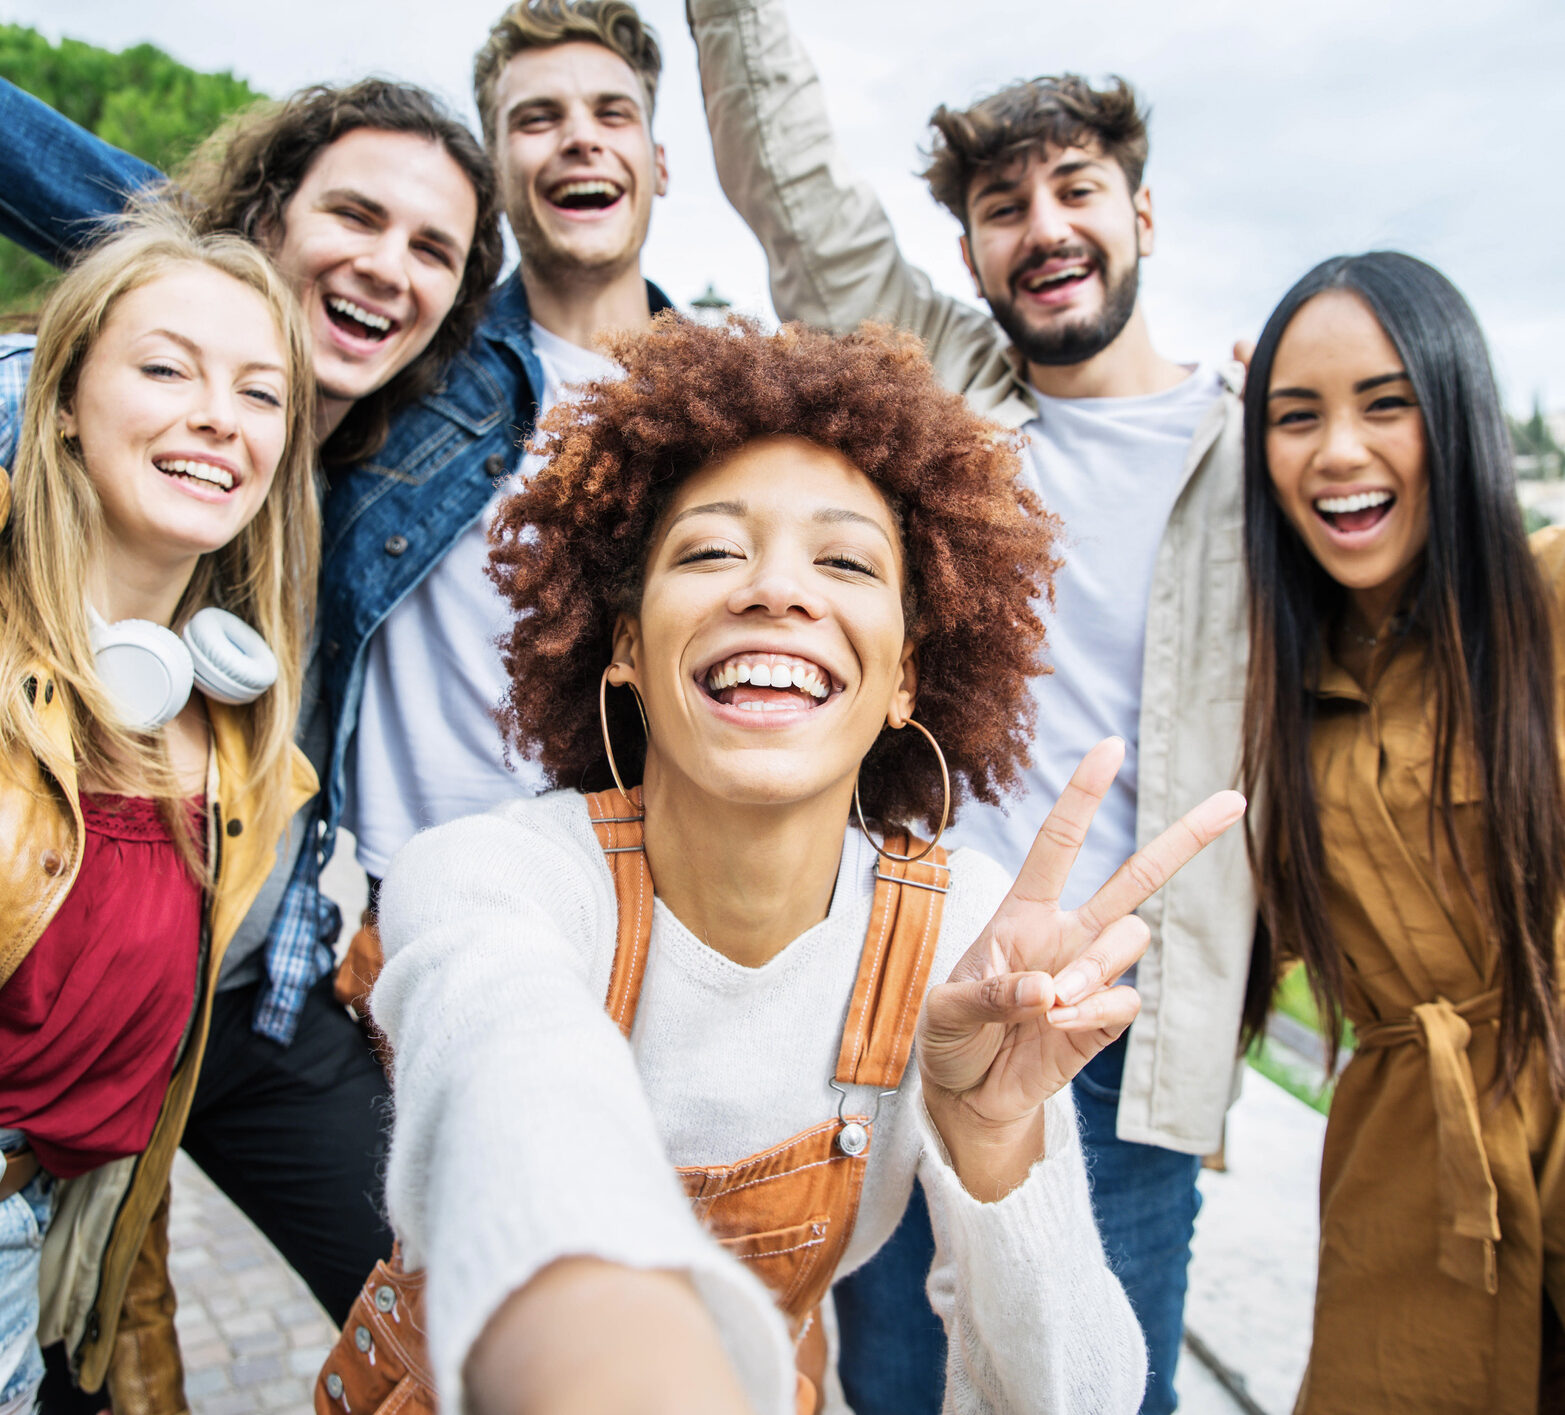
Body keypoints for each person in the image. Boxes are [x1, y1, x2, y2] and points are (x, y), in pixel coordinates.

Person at [357, 316, 1244, 1415]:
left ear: (906, 675)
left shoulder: (960, 936)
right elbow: (512, 1075)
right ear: (623, 644)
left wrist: (997, 1140)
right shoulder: (490, 877)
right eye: (712, 549)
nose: (777, 590)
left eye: (843, 560)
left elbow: (1075, 1401)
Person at [686, 4, 1254, 1410]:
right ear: (969, 255)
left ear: (1143, 212)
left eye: (1075, 190)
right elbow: (799, 192)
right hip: (901, 985)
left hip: (1118, 1025)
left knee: (1093, 1384)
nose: (1043, 226)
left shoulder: (1256, 447)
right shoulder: (946, 397)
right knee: (888, 1376)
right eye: (1005, 207)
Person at [0, 76, 502, 1410]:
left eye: (433, 249)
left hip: (228, 990)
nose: (390, 266)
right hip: (60, 1003)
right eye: (356, 214)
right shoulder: (41, 432)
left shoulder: (339, 494)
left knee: (463, 1311)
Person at [0, 211, 319, 1415]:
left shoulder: (240, 746)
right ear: (65, 397)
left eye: (258, 391)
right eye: (165, 367)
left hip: (76, 1235)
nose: (217, 417)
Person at [1239, 251, 1565, 1415]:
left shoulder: (1547, 606)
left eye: (1385, 403)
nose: (1335, 450)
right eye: (1293, 416)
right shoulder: (1272, 692)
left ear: (1458, 415)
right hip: (1401, 1184)